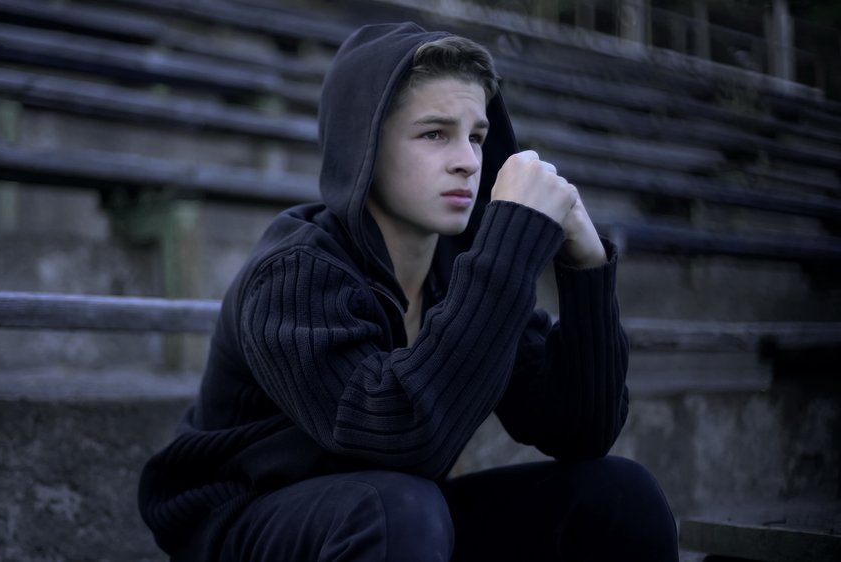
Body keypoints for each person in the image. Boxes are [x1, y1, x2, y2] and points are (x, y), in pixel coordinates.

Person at [139, 21, 679, 562]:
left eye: (476, 136)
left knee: (620, 497)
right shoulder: (292, 273)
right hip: (243, 524)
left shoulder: (463, 270)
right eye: (434, 134)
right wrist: (507, 246)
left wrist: (585, 268)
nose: (468, 160)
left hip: (396, 521)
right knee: (397, 507)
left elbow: (579, 431)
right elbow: (397, 435)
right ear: (364, 149)